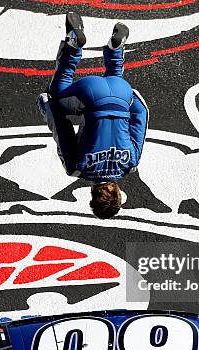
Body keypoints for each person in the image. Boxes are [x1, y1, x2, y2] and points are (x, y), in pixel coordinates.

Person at [37, 12, 149, 219]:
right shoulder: (77, 169)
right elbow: (62, 130)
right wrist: (47, 107)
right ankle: (73, 45)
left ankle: (116, 50)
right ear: (91, 196)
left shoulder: (131, 163)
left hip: (121, 91)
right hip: (90, 94)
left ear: (119, 193)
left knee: (115, 99)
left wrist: (128, 98)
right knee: (55, 95)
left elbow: (141, 115)